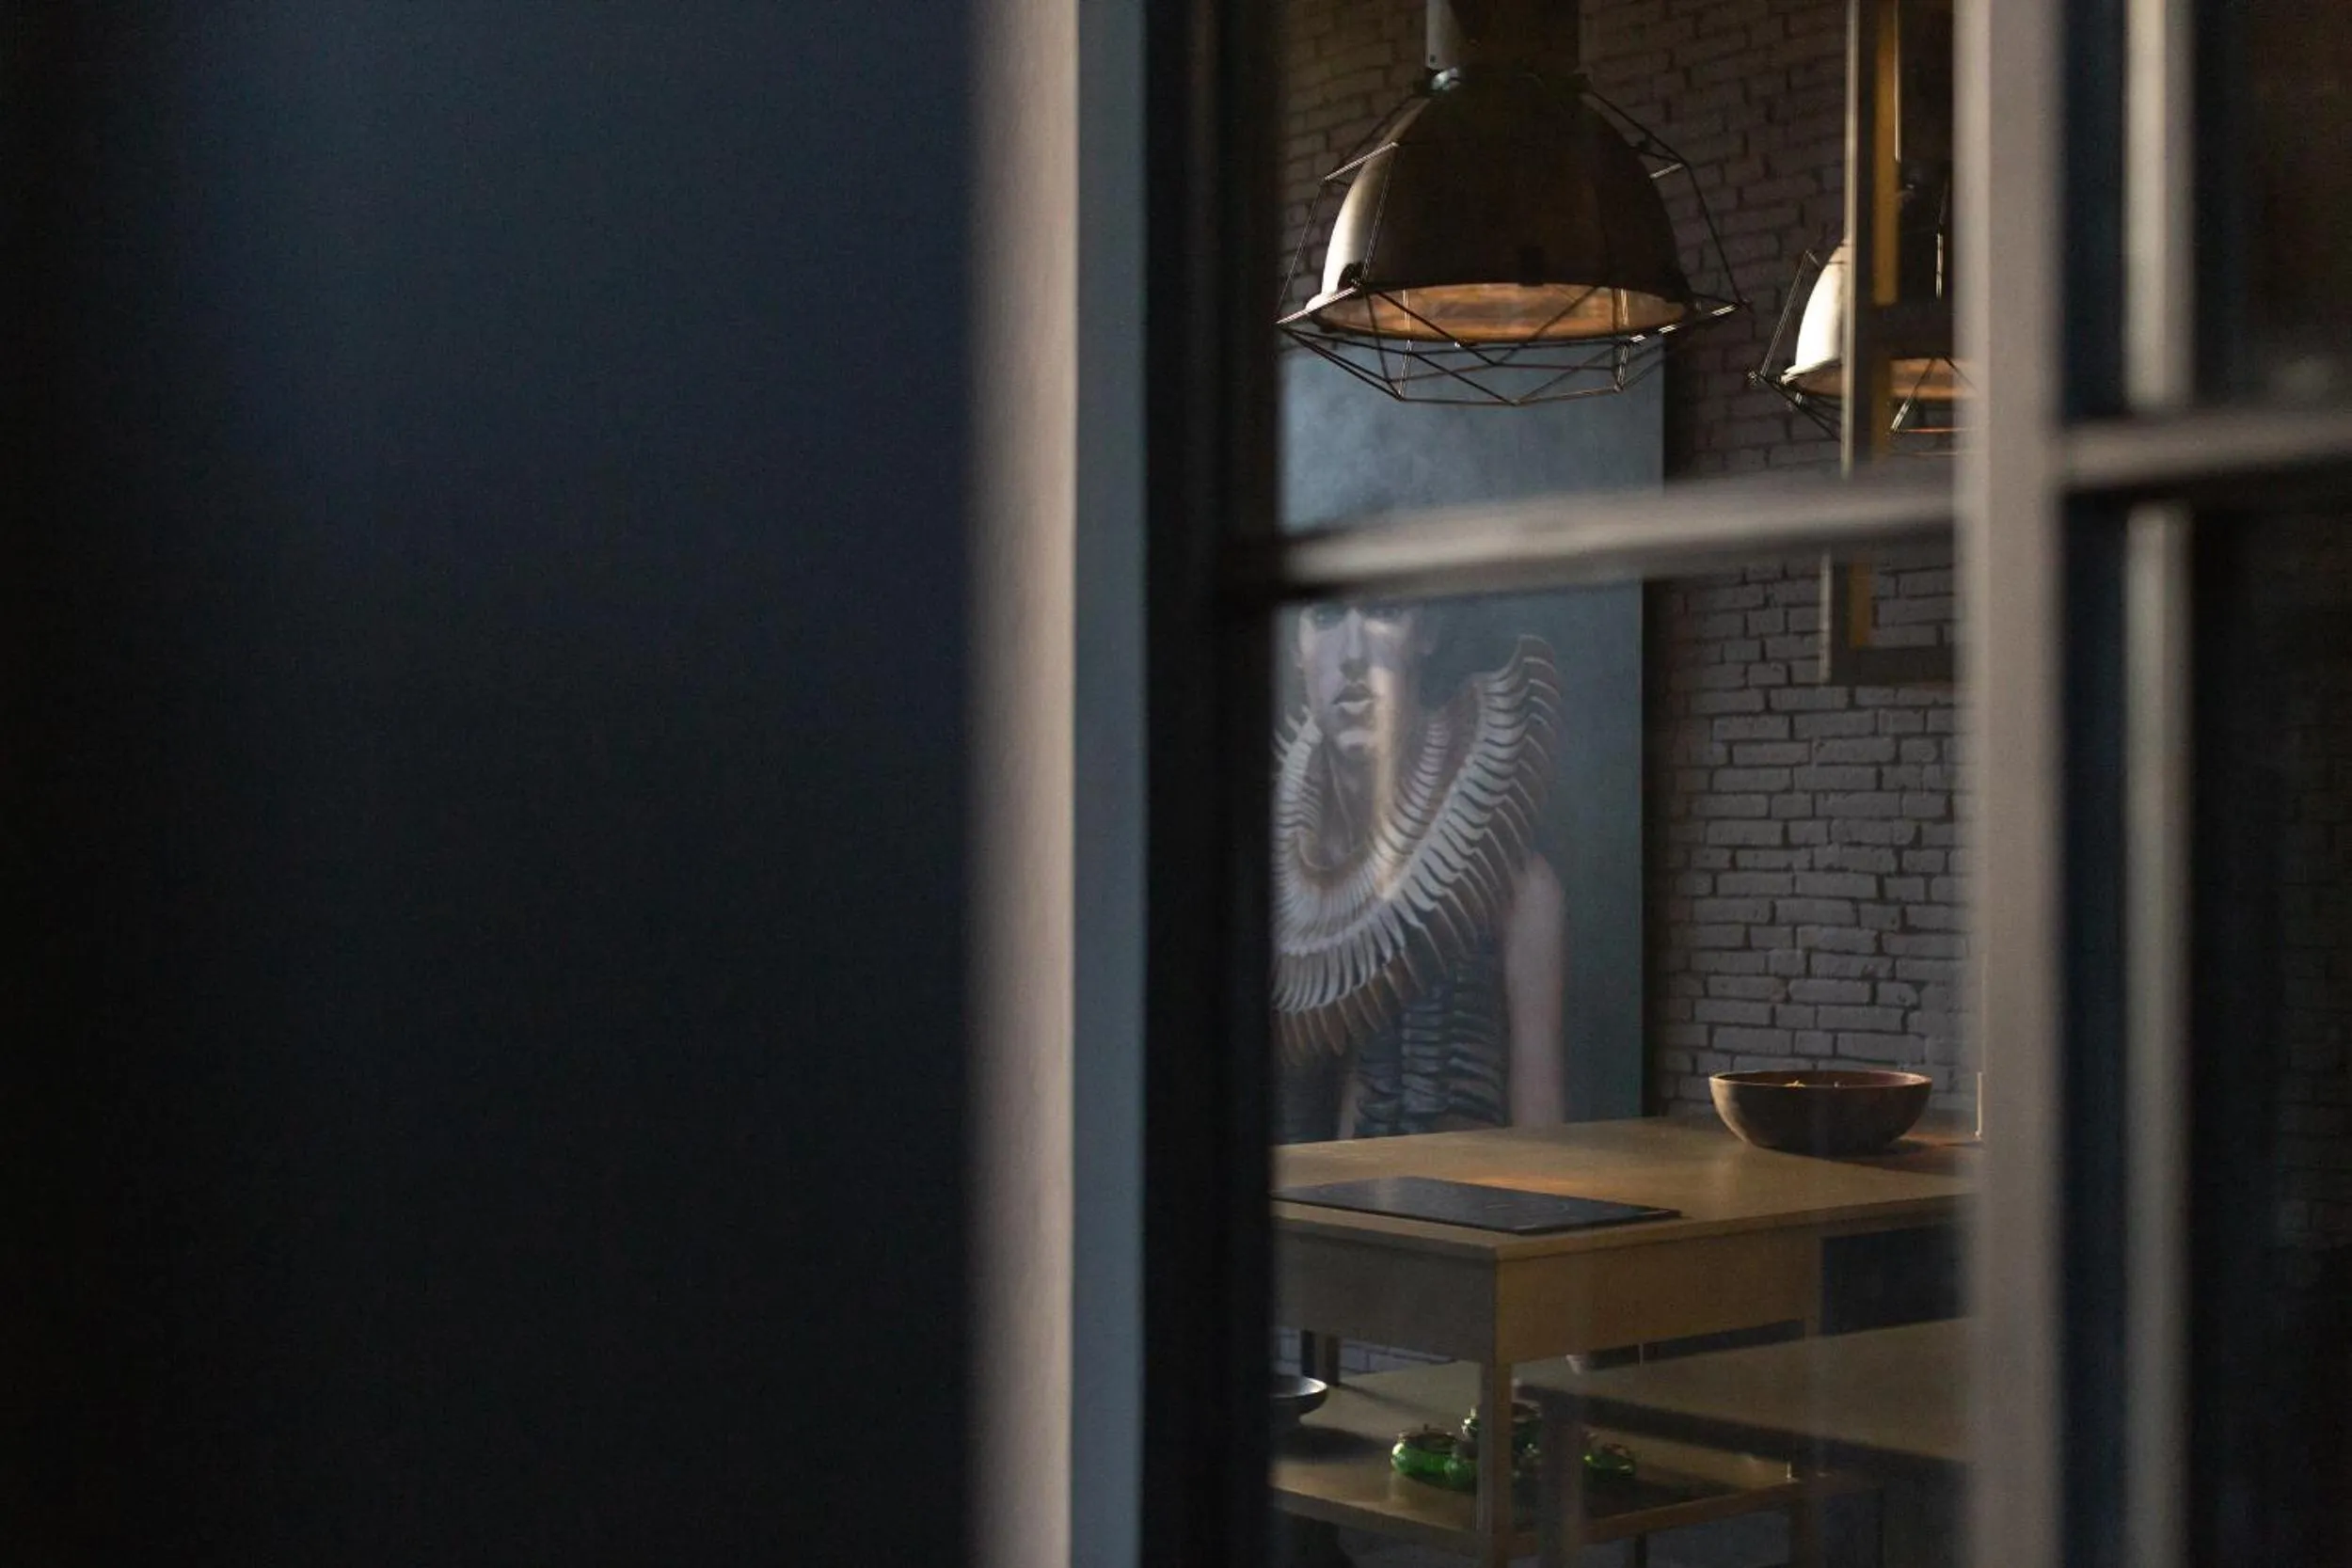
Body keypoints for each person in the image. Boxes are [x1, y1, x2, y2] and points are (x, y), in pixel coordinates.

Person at [1274, 599, 1567, 1142]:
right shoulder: (1271, 893)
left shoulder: (1517, 889)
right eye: (1325, 616)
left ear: (1426, 633)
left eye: (1384, 611)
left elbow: (1544, 1139)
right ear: (1296, 648)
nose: (1355, 655)